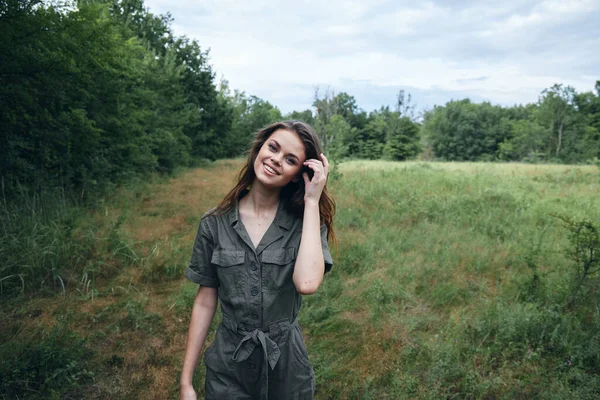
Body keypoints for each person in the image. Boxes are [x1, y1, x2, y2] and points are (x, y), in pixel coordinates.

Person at [179, 120, 336, 400]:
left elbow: (308, 282)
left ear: (299, 174)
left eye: (290, 159)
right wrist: (186, 382)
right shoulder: (214, 223)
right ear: (258, 149)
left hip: (287, 370)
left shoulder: (307, 224)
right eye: (273, 148)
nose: (276, 160)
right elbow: (205, 301)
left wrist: (312, 201)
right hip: (229, 366)